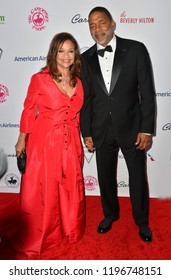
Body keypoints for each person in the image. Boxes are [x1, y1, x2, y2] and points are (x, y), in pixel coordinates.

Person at [80, 7, 155, 242]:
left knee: (137, 177)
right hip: (101, 128)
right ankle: (110, 214)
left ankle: (141, 221)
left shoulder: (135, 49)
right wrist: (87, 131)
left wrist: (146, 128)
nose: (97, 29)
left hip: (132, 127)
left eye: (101, 23)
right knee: (105, 177)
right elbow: (86, 100)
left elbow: (147, 92)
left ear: (113, 23)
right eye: (92, 25)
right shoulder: (85, 58)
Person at [11, 32, 86, 256]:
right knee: (44, 191)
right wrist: (22, 139)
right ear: (53, 53)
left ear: (76, 54)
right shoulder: (39, 79)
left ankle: (69, 229)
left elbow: (77, 114)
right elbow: (28, 110)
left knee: (69, 187)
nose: (66, 56)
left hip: (70, 141)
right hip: (44, 142)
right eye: (61, 50)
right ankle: (42, 234)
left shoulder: (79, 81)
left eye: (70, 51)